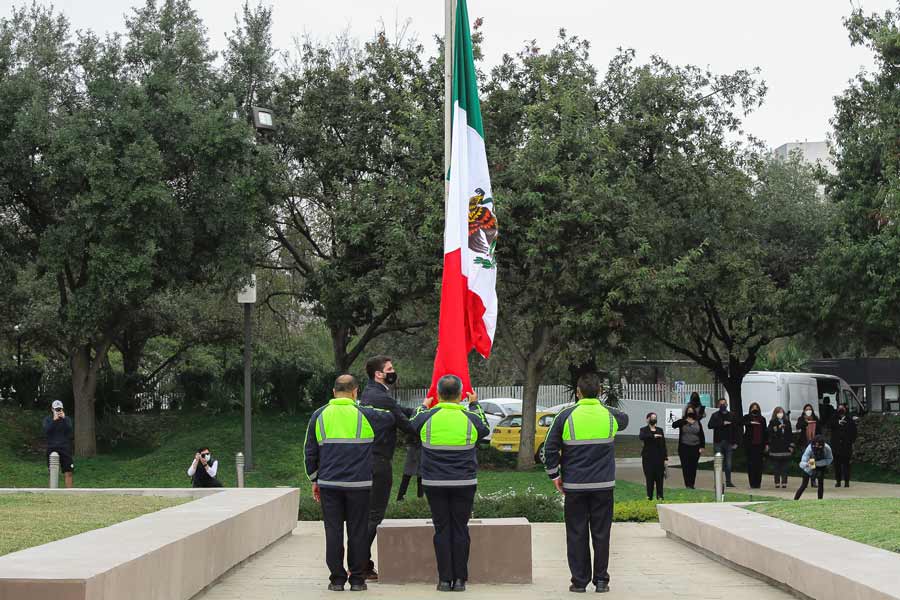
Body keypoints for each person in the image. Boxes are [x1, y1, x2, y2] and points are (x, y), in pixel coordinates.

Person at [304, 374, 396, 592]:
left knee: (333, 530)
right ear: (355, 392)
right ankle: (357, 579)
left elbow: (310, 452)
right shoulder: (365, 413)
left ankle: (336, 579)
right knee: (358, 531)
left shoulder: (319, 415)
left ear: (333, 392)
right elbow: (390, 417)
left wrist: (315, 479)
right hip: (359, 485)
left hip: (329, 484)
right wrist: (362, 404)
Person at [543, 372, 630, 594]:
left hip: (575, 486)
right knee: (602, 534)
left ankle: (579, 582)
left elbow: (549, 447)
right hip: (603, 485)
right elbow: (625, 418)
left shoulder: (565, 416)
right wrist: (601, 405)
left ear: (577, 393)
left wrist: (554, 475)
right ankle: (601, 581)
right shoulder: (610, 416)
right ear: (600, 392)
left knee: (576, 533)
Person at [409, 375, 490, 592]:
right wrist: (474, 403)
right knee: (460, 529)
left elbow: (412, 424)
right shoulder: (470, 417)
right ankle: (461, 580)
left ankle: (444, 580)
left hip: (434, 483)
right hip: (464, 482)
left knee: (442, 529)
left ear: (438, 395)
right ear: (460, 394)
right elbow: (484, 428)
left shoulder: (427, 417)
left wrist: (423, 405)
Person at [358, 355, 416, 580]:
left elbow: (401, 410)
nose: (393, 372)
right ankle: (360, 565)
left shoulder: (372, 393)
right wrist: (427, 416)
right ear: (379, 374)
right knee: (374, 515)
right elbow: (409, 426)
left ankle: (361, 562)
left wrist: (423, 407)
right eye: (390, 369)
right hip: (379, 463)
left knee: (367, 515)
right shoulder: (381, 398)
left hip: (367, 461)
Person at [706, 398, 740, 488]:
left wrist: (736, 442)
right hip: (718, 442)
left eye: (724, 404)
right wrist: (722, 423)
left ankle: (728, 481)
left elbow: (736, 429)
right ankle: (717, 482)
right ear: (718, 405)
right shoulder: (715, 415)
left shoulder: (732, 415)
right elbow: (710, 425)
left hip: (729, 442)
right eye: (721, 404)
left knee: (728, 464)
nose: (723, 406)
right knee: (718, 463)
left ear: (727, 405)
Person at [671, 406, 705, 489]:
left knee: (693, 466)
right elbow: (674, 425)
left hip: (695, 447)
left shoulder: (697, 422)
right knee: (685, 466)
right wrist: (684, 421)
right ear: (686, 412)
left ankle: (692, 484)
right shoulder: (683, 421)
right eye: (688, 411)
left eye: (691, 411)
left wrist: (702, 446)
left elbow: (701, 435)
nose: (690, 412)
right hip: (684, 447)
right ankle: (687, 484)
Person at [43, 400, 74, 488]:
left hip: (64, 448)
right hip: (51, 448)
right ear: (52, 409)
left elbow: (69, 431)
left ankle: (69, 493)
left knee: (69, 472)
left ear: (62, 409)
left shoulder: (66, 419)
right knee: (52, 472)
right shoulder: (47, 419)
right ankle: (51, 493)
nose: (58, 411)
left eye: (59, 409)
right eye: (56, 409)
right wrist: (54, 420)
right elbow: (46, 431)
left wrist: (63, 419)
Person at [396, 408, 423, 501]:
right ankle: (400, 498)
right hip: (415, 445)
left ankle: (420, 499)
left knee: (420, 474)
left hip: (419, 445)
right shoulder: (419, 411)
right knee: (408, 474)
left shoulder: (421, 410)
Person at [638, 412, 667, 501]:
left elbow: (663, 445)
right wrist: (653, 436)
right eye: (652, 417)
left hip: (659, 458)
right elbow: (642, 437)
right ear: (647, 419)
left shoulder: (660, 430)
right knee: (649, 479)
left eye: (655, 417)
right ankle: (649, 497)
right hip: (648, 459)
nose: (654, 419)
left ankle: (660, 497)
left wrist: (665, 458)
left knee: (659, 479)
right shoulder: (643, 430)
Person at [794, 435, 833, 500]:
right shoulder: (809, 448)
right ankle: (795, 500)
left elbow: (830, 459)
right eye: (815, 445)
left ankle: (820, 501)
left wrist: (817, 463)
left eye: (819, 445)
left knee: (820, 483)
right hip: (810, 463)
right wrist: (806, 464)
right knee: (804, 485)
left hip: (821, 465)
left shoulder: (827, 448)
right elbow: (803, 461)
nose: (817, 447)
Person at [742, 402, 768, 489]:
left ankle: (758, 483)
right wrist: (750, 422)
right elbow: (741, 422)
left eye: (756, 408)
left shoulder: (762, 419)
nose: (755, 410)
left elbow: (765, 432)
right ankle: (752, 483)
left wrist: (766, 444)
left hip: (759, 445)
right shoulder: (747, 417)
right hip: (750, 445)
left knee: (759, 465)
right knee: (751, 465)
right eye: (753, 408)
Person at [830, 404, 857, 488]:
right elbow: (830, 425)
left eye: (842, 408)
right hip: (836, 446)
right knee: (837, 465)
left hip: (846, 446)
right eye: (839, 408)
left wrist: (851, 442)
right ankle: (838, 481)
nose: (841, 409)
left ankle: (846, 481)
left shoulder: (850, 420)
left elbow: (854, 432)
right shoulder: (834, 419)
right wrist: (838, 423)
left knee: (846, 465)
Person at [767, 407, 794, 489]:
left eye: (781, 412)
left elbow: (790, 435)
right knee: (776, 467)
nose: (780, 414)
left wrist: (791, 446)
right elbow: (769, 433)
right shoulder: (772, 422)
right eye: (778, 412)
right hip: (776, 448)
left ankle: (784, 482)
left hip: (785, 447)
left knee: (785, 467)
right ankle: (777, 482)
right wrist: (778, 428)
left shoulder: (787, 422)